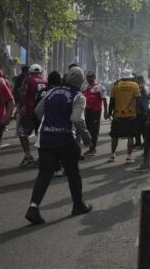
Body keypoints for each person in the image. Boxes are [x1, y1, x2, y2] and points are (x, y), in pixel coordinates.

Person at [24, 67, 92, 225]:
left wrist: (49, 124)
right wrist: (86, 137)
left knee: (44, 173)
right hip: (65, 139)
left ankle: (33, 207)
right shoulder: (78, 96)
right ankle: (78, 204)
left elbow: (38, 110)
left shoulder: (51, 91)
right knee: (73, 172)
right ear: (81, 82)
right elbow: (77, 119)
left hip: (46, 138)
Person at [107, 69, 141, 163]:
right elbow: (138, 100)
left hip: (118, 115)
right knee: (130, 136)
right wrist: (138, 113)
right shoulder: (134, 85)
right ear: (130, 76)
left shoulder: (116, 86)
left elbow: (112, 101)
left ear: (122, 76)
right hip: (131, 115)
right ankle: (128, 158)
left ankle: (112, 156)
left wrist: (110, 113)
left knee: (115, 136)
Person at [17, 64, 47, 167]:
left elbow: (23, 94)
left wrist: (21, 106)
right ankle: (42, 157)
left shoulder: (28, 80)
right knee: (40, 135)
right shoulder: (45, 80)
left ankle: (28, 156)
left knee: (22, 133)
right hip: (41, 112)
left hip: (29, 111)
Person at [82, 71, 107, 156]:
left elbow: (104, 100)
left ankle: (93, 149)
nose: (88, 78)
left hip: (96, 112)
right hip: (87, 111)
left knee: (94, 130)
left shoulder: (99, 87)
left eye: (90, 77)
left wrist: (106, 112)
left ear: (94, 77)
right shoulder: (85, 87)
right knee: (88, 129)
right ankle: (90, 148)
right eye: (87, 77)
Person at [134, 75, 149, 148]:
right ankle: (138, 142)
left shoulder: (142, 88)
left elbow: (142, 100)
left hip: (141, 111)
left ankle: (144, 143)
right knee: (137, 128)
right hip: (139, 111)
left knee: (142, 129)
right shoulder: (142, 88)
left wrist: (144, 110)